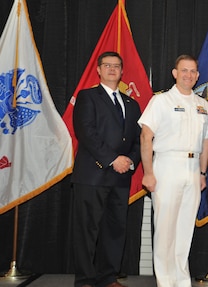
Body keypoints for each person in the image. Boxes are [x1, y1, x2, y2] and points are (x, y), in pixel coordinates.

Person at [138, 54, 208, 287]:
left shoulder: (203, 105)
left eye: (193, 71)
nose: (188, 75)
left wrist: (202, 174)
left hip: (192, 169)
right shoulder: (161, 101)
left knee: (184, 228)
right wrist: (148, 172)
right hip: (167, 165)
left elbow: (206, 141)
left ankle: (181, 280)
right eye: (184, 70)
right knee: (165, 228)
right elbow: (146, 137)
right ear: (175, 73)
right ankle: (165, 280)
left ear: (198, 75)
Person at [71, 51, 142, 287]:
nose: (112, 69)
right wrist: (113, 159)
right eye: (107, 65)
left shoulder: (132, 104)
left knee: (115, 230)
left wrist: (130, 161)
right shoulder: (87, 97)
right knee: (87, 231)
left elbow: (138, 140)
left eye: (117, 66)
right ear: (99, 70)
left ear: (122, 71)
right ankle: (85, 280)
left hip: (120, 178)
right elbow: (86, 133)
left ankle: (108, 277)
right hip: (92, 174)